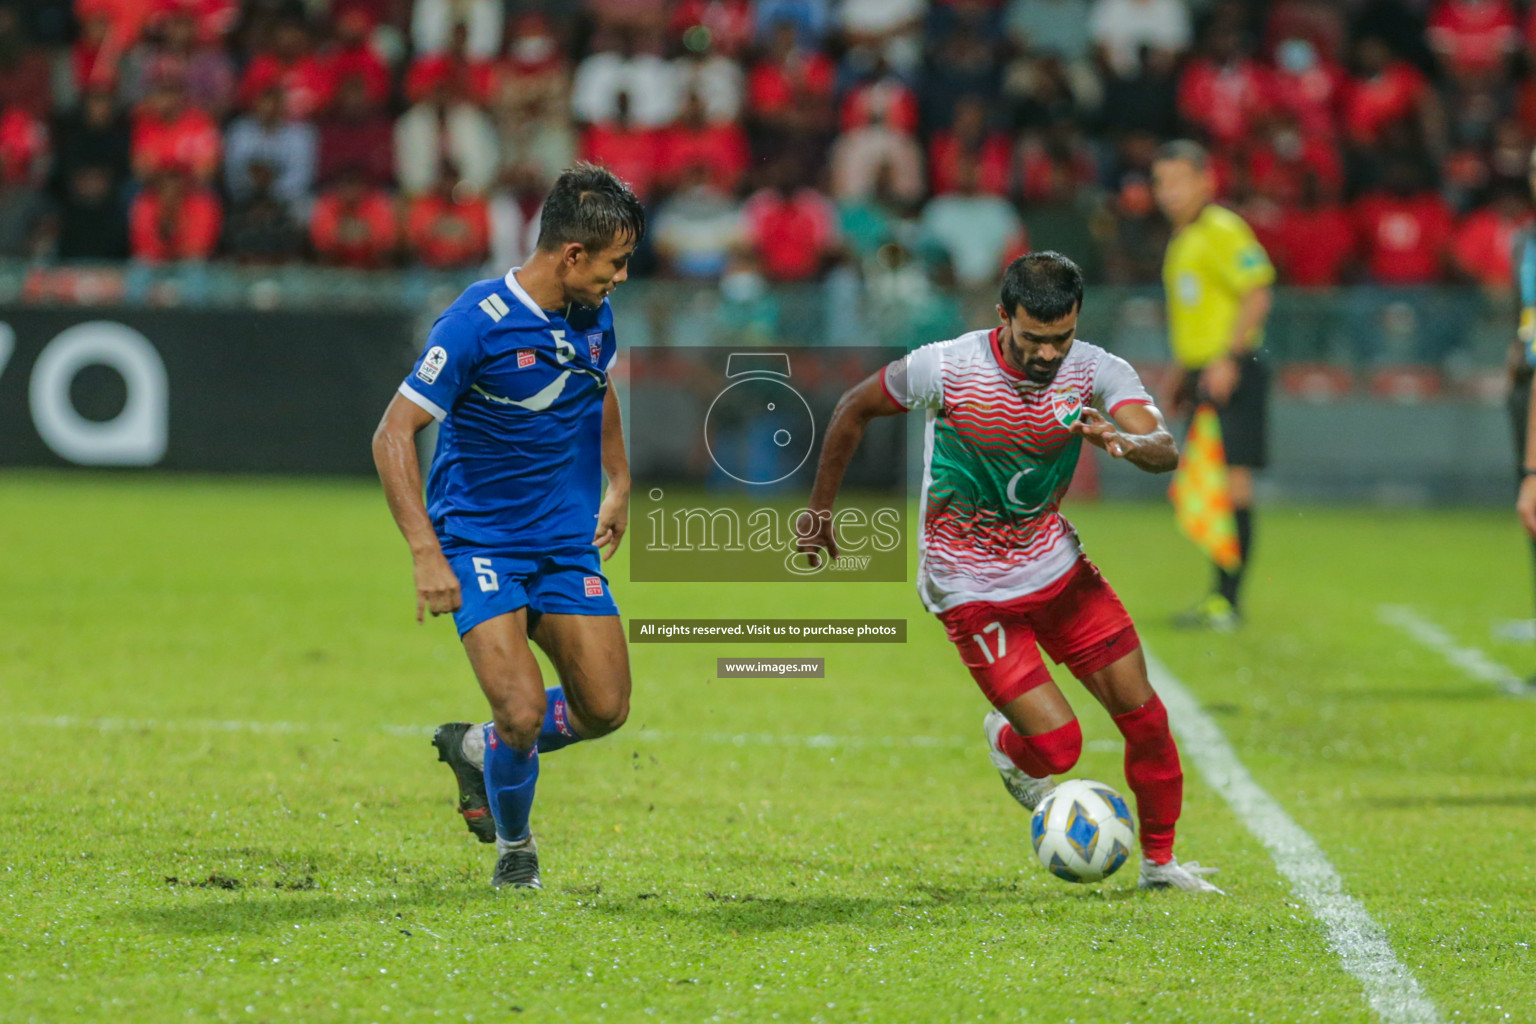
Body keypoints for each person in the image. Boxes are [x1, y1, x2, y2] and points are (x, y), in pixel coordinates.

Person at [798, 251, 1223, 893]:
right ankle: (1007, 741)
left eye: (1062, 338)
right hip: (969, 588)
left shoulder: (1097, 369)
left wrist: (1125, 442)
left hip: (1058, 568)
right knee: (1060, 750)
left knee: (1148, 719)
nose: (1050, 355)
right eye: (1033, 339)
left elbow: (1163, 448)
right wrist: (820, 513)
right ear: (1003, 317)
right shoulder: (946, 367)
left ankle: (1160, 866)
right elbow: (853, 407)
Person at [372, 164, 643, 890]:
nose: (622, 278)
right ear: (572, 255)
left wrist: (618, 481)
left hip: (561, 543)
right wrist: (427, 553)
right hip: (478, 541)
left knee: (606, 708)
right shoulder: (475, 320)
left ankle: (475, 750)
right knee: (523, 712)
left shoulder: (594, 316)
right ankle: (515, 848)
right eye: (616, 264)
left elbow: (597, 384)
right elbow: (393, 434)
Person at [1152, 140, 1274, 631]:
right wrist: (1182, 370)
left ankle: (1229, 599)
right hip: (1206, 368)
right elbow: (1196, 315)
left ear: (1207, 180)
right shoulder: (1185, 240)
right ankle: (1219, 596)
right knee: (1210, 482)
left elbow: (1258, 292)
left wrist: (1227, 358)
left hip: (1235, 368)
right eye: (1162, 182)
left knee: (1231, 483)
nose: (1169, 192)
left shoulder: (1222, 229)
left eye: (1179, 180)